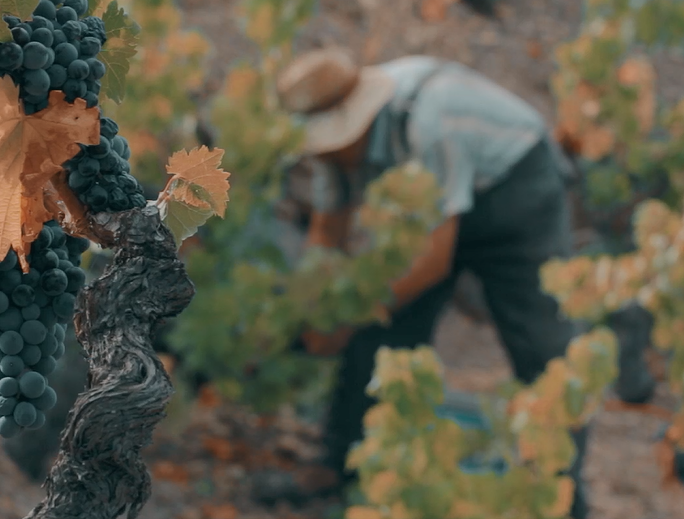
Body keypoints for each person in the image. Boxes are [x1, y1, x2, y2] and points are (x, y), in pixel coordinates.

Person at [252, 47, 589, 519]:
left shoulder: (430, 120)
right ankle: (341, 466)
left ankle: (563, 498)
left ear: (355, 124)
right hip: (438, 208)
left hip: (516, 190)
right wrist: (316, 309)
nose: (322, 151)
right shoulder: (334, 153)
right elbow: (327, 233)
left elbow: (433, 259)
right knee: (379, 329)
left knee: (544, 349)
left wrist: (351, 319)